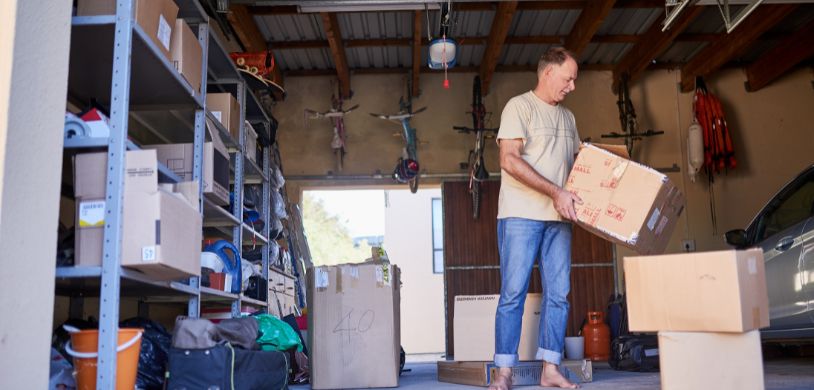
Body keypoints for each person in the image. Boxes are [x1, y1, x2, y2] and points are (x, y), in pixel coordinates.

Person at [489, 47, 582, 390]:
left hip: (559, 219)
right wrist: (555, 192)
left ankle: (550, 370)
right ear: (548, 73)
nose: (572, 86)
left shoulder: (569, 119)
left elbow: (576, 167)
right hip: (520, 216)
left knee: (559, 293)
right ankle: (504, 374)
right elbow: (509, 160)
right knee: (513, 293)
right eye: (568, 78)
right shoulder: (519, 107)